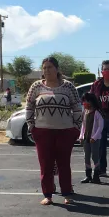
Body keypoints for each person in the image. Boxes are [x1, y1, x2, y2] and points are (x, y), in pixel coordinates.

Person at [25, 56, 83, 205]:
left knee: (64, 164)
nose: (47, 70)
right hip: (43, 132)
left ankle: (67, 193)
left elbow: (77, 108)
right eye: (44, 68)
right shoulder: (36, 86)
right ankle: (48, 195)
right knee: (46, 165)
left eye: (50, 67)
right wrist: (32, 126)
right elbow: (29, 107)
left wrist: (76, 128)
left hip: (65, 131)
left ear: (57, 69)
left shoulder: (68, 87)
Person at [78, 92, 104, 184]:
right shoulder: (85, 112)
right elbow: (83, 126)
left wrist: (95, 137)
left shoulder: (97, 113)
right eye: (84, 101)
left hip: (94, 139)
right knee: (86, 156)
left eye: (87, 101)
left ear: (92, 101)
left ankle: (96, 176)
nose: (85, 103)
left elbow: (101, 126)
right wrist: (81, 136)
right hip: (86, 138)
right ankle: (88, 176)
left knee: (95, 156)